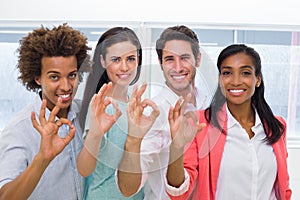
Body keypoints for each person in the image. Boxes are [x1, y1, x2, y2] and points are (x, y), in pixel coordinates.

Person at [165, 44, 292, 199]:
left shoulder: (277, 127)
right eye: (227, 73)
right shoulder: (199, 124)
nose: (236, 81)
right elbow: (178, 192)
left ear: (257, 79)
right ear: (220, 79)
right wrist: (176, 148)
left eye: (245, 73)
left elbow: (283, 189)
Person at [117, 25, 211, 200]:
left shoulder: (207, 104)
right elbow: (128, 188)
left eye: (184, 58)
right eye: (169, 59)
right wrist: (133, 140)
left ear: (197, 60)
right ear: (160, 64)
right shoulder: (155, 114)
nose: (177, 67)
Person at [0, 23, 91, 200]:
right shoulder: (19, 130)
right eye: (54, 77)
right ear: (37, 78)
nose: (66, 87)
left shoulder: (86, 114)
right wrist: (42, 159)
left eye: (72, 75)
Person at [76, 27, 159, 200]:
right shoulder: (101, 107)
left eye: (130, 59)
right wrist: (96, 134)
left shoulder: (135, 107)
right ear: (103, 61)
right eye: (116, 59)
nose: (124, 67)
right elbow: (84, 169)